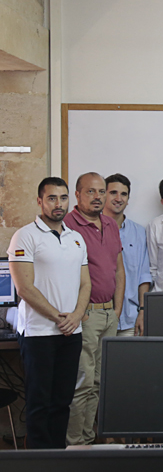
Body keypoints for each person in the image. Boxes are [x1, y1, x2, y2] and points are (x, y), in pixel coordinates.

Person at [7, 177, 91, 448]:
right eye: (52, 198)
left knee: (62, 402)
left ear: (70, 200)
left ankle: (58, 458)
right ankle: (38, 462)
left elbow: (86, 282)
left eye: (63, 198)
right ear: (40, 201)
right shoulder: (25, 236)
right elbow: (24, 288)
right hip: (39, 333)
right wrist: (59, 317)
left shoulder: (76, 238)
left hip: (71, 332)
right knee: (39, 403)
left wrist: (76, 316)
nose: (58, 204)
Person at [63, 172, 125, 446]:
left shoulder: (111, 224)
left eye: (102, 192)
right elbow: (62, 274)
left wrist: (117, 310)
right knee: (83, 382)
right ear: (77, 195)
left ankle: (89, 441)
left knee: (99, 384)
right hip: (85, 316)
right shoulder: (66, 224)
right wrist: (80, 310)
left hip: (109, 314)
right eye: (91, 191)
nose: (98, 197)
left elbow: (118, 270)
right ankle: (75, 444)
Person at [103, 173, 152, 335]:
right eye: (113, 193)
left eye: (123, 194)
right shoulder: (89, 231)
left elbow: (143, 276)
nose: (119, 198)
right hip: (98, 317)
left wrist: (143, 311)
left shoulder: (138, 232)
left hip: (131, 318)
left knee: (129, 360)